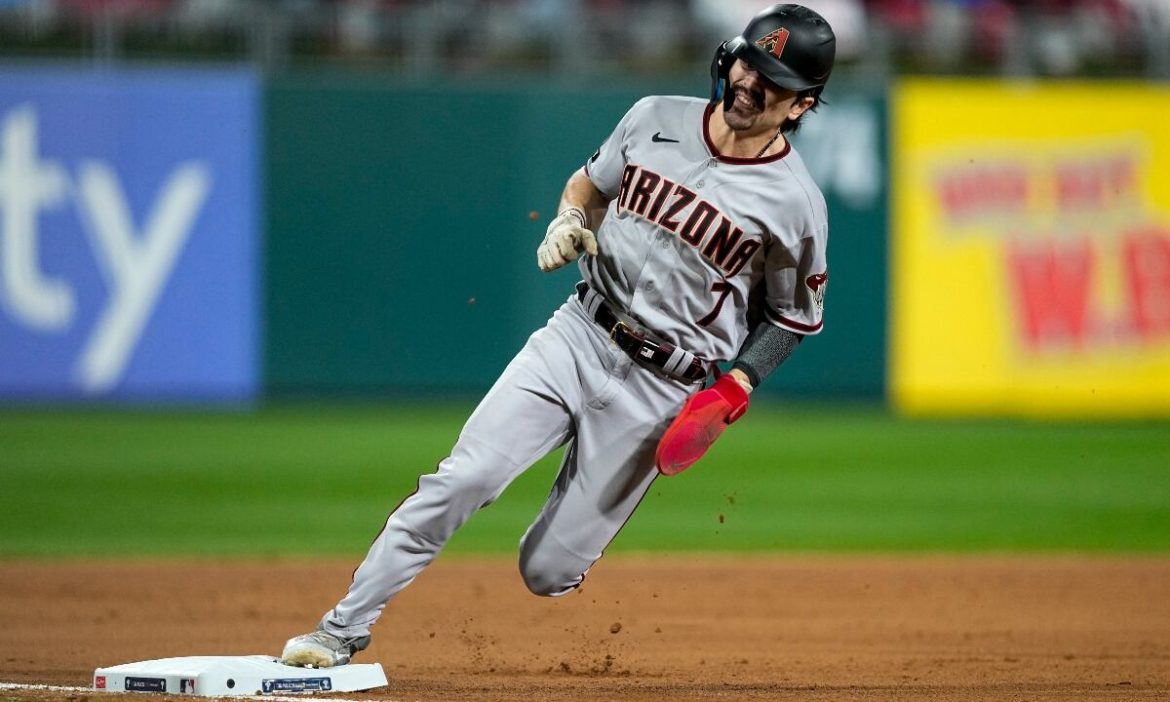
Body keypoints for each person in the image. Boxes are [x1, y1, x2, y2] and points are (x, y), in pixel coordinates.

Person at [280, 2, 836, 668]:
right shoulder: (654, 117)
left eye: (773, 81)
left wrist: (737, 384)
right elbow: (589, 184)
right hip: (578, 335)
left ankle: (563, 543)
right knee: (465, 477)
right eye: (748, 63)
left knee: (547, 571)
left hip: (661, 390)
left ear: (802, 104)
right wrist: (570, 218)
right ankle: (341, 628)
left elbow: (794, 316)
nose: (749, 83)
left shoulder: (795, 203)